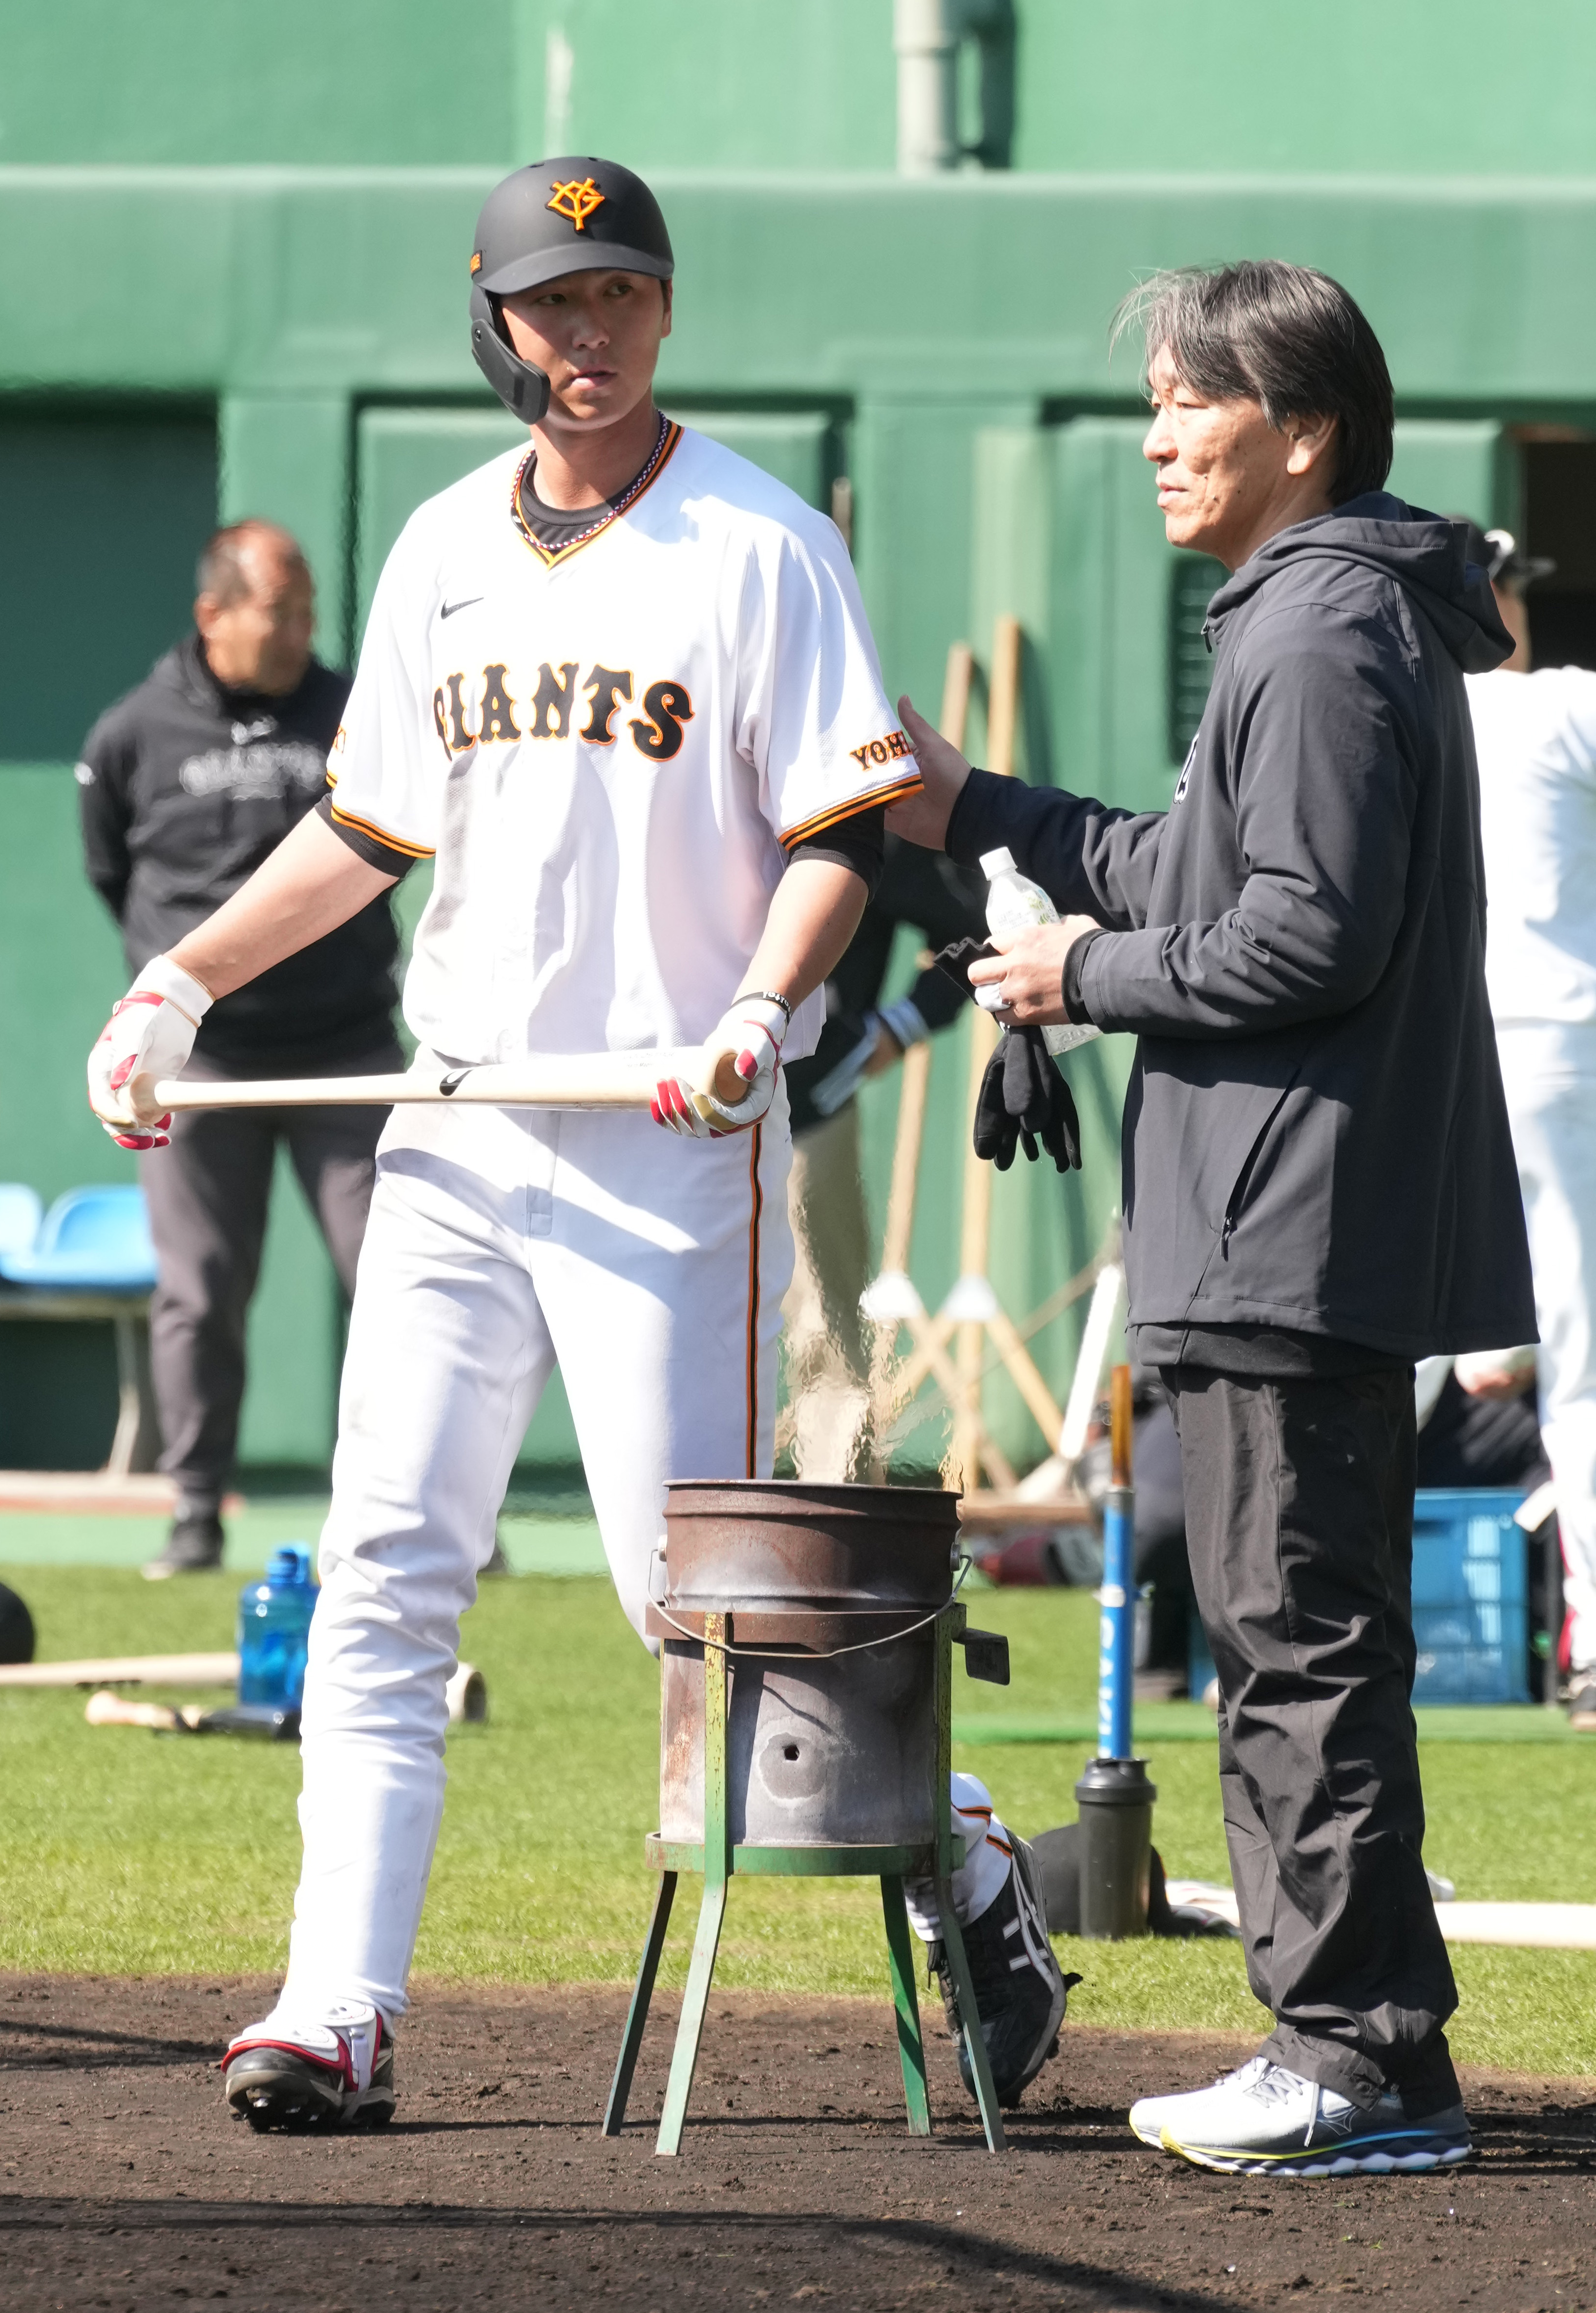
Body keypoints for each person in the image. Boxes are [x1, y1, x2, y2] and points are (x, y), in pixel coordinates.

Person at [84, 157, 1066, 2126]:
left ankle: (962, 1849)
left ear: (665, 310)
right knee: (380, 1569)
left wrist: (753, 1012)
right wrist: (177, 978)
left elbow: (840, 843)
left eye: (619, 293)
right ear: (498, 319)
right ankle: (336, 2004)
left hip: (665, 1128)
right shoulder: (441, 544)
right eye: (552, 301)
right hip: (457, 1114)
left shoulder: (760, 543)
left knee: (690, 1599)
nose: (587, 331)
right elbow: (368, 831)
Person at [891, 260, 1535, 2177]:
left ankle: (1348, 2053)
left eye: (1190, 400)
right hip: (1272, 1209)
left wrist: (1079, 978)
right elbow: (1190, 862)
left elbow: (1301, 929)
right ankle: (1362, 2051)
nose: (1157, 434)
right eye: (1155, 400)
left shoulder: (1322, 627)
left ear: (1301, 430)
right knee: (1284, 1634)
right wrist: (965, 804)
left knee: (1294, 1644)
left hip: (1287, 1211)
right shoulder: (1302, 615)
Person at [78, 522, 405, 1577]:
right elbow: (109, 872)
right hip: (203, 1063)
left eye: (312, 606)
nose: (308, 625)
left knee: (399, 1270)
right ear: (213, 614)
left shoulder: (357, 709)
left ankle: (413, 1509)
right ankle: (192, 1510)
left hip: (347, 1045)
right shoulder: (133, 732)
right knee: (203, 1287)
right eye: (284, 607)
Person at [1461, 521, 1596, 1724]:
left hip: (1440, 1050)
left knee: (1395, 1340)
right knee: (1582, 1346)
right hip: (1556, 1039)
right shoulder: (1554, 705)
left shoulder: (1401, 717)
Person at [781, 839, 986, 1480]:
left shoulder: (848, 799)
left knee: (824, 1337)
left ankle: (835, 1539)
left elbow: (977, 926)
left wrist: (903, 1024)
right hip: (658, 1105)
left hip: (803, 1111)